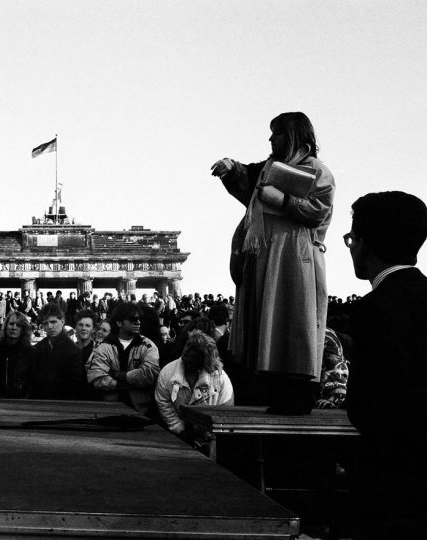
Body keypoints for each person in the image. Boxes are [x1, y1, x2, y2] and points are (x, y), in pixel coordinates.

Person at [211, 112, 335, 411]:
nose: (270, 139)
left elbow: (319, 210)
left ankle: (294, 395)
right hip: (265, 256)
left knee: (293, 323)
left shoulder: (317, 170)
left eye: (276, 134)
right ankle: (270, 391)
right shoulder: (269, 169)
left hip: (295, 258)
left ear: (292, 135)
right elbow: (247, 181)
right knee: (267, 325)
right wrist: (232, 167)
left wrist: (281, 200)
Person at [344, 191, 427, 538]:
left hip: (391, 480)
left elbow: (365, 407)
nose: (350, 247)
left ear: (364, 243)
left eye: (351, 238)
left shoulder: (373, 309)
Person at [86, 302, 160, 418]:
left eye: (139, 319)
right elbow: (97, 378)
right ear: (119, 322)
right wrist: (130, 384)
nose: (138, 322)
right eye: (133, 319)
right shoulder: (104, 347)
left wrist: (115, 375)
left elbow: (149, 374)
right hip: (110, 411)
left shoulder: (148, 345)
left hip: (141, 412)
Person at [154, 330, 234, 436]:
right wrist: (179, 429)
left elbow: (226, 410)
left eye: (194, 350)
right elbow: (164, 403)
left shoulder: (220, 378)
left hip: (211, 436)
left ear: (204, 357)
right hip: (179, 435)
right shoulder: (167, 373)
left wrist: (213, 433)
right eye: (188, 346)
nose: (188, 352)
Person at [29, 302, 87, 400]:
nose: (50, 326)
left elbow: (74, 387)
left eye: (53, 322)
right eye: (46, 323)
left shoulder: (73, 351)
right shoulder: (38, 348)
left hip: (62, 404)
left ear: (62, 321)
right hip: (39, 403)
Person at [0, 311, 33, 398]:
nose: (14, 327)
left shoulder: (30, 352)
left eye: (18, 325)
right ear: (6, 326)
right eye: (11, 324)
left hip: (21, 401)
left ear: (23, 329)